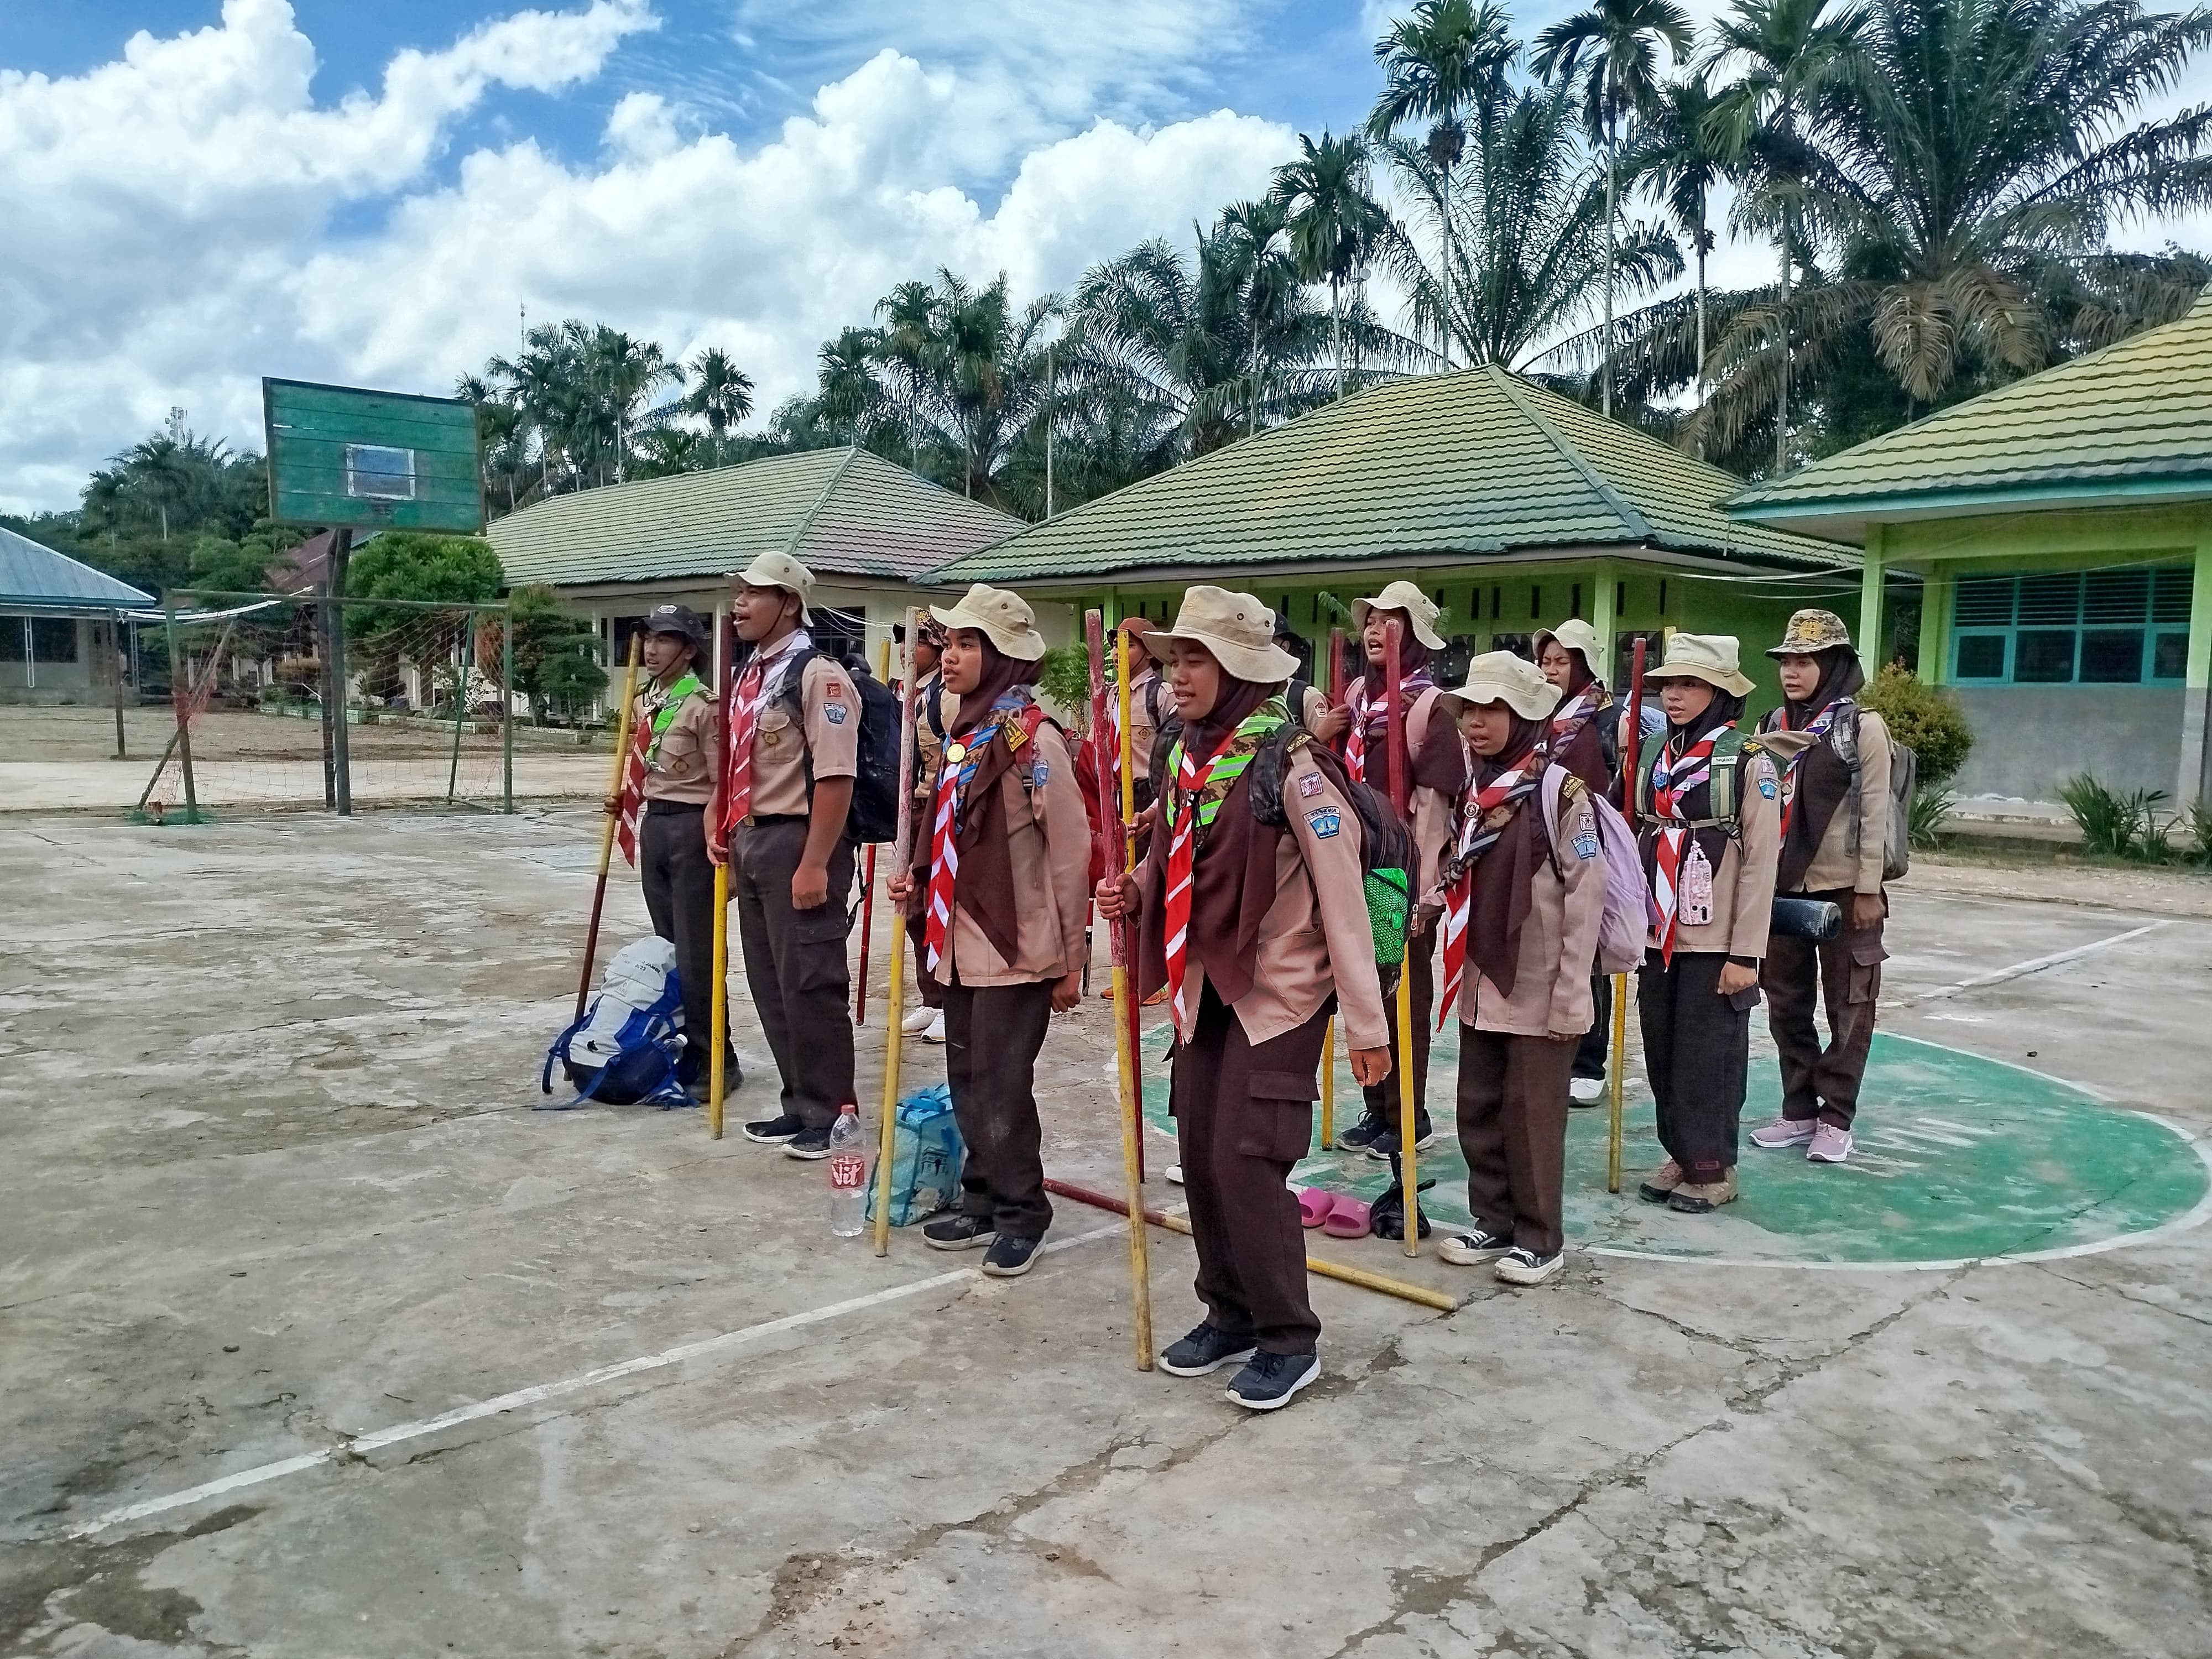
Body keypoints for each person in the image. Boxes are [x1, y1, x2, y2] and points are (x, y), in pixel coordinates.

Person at [1096, 586, 1391, 1412]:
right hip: (1206, 986)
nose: (1176, 676)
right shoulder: (1190, 757)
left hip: (1281, 995)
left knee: (1248, 1161)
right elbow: (1179, 856)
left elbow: (1342, 901)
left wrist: (1368, 1026)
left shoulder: (1294, 768)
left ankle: (1289, 1338)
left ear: (1237, 670)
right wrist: (1137, 888)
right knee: (1198, 1155)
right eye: (1175, 659)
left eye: (1195, 660)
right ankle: (1228, 1313)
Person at [887, 585, 1091, 1279]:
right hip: (956, 938)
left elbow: (1069, 853)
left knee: (1003, 1085)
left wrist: (1072, 958)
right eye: (948, 642)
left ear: (1003, 657)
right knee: (966, 1075)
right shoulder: (964, 735)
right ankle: (980, 1194)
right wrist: (918, 876)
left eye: (967, 644)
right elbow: (947, 829)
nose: (949, 656)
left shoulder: (1035, 741)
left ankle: (1022, 1211)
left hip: (1018, 946)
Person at [1427, 653, 1605, 1286]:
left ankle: (1540, 1237)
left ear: (1526, 714)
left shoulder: (1563, 794)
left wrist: (1572, 994)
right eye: (1469, 709)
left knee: (1532, 1116)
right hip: (1481, 979)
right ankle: (1492, 1218)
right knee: (1477, 1104)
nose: (1475, 722)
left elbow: (1586, 898)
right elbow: (1459, 870)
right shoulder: (1475, 793)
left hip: (1539, 985)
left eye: (1491, 710)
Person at [706, 553, 860, 1161]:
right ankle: (799, 1101)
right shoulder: (750, 674)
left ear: (789, 604)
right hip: (754, 839)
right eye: (738, 593)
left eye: (753, 594)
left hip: (801, 840)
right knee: (771, 981)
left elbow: (836, 775)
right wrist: (721, 821)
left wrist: (816, 862)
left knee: (811, 982)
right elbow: (736, 756)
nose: (739, 604)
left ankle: (832, 1112)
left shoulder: (817, 676)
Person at [1629, 635, 1781, 1214]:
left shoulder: (1749, 762)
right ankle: (1681, 1152)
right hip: (1658, 932)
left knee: (1708, 1056)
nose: (1674, 695)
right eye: (1668, 684)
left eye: (1689, 685)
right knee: (1661, 1051)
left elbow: (1762, 863)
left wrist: (1745, 954)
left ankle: (1714, 1166)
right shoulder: (1652, 755)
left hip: (1714, 940)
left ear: (1720, 694)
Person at [1322, 581, 1463, 1159]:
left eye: (1391, 620)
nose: (1376, 631)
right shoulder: (1355, 698)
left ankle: (1409, 1112)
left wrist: (1424, 892)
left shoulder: (1430, 708)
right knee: (1362, 989)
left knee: (1402, 991)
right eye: (1372, 620)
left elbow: (1432, 811)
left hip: (1397, 873)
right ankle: (1375, 1104)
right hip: (1350, 866)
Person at [1748, 610, 1892, 1166]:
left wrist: (1868, 888)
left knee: (1850, 1007)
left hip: (1844, 890)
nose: (1791, 671)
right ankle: (1798, 1109)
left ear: (1832, 665)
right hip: (1781, 889)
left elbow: (1875, 812)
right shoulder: (1769, 724)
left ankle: (1836, 1117)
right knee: (1784, 1002)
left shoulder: (1862, 728)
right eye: (1785, 661)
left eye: (1804, 661)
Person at [606, 604, 737, 1099]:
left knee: (700, 952)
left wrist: (723, 841)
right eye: (648, 639)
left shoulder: (705, 706)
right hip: (654, 826)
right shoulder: (646, 700)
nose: (652, 649)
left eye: (665, 640)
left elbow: (724, 783)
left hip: (692, 830)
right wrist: (624, 798)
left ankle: (718, 1057)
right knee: (670, 951)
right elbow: (648, 768)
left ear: (689, 650)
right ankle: (690, 1045)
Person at [1533, 620, 1620, 1108]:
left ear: (1583, 664)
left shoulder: (1611, 718)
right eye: (1545, 661)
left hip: (1592, 842)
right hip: (1541, 842)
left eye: (1561, 662)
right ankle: (1555, 1047)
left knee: (1588, 953)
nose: (1550, 670)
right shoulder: (1533, 711)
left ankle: (1590, 1061)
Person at [900, 617, 953, 1046]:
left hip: (940, 806)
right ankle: (930, 996)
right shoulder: (908, 690)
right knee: (913, 908)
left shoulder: (948, 692)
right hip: (912, 808)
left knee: (940, 905)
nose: (907, 651)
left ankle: (949, 1001)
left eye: (916, 643)